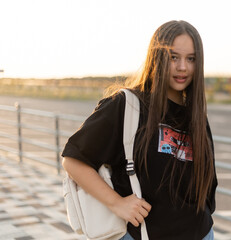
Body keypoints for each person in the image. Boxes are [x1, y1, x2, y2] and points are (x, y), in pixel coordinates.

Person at [62, 20, 217, 240]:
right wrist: (117, 203)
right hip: (143, 235)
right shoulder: (127, 105)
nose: (183, 67)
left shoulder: (197, 117)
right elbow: (73, 160)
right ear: (157, 57)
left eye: (191, 59)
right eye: (174, 57)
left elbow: (207, 188)